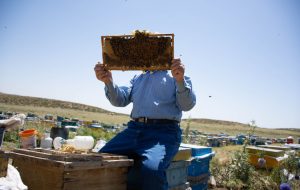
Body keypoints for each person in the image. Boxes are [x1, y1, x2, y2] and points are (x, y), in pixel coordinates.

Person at [94, 58, 196, 190]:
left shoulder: (176, 75)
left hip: (163, 134)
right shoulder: (138, 77)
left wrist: (180, 80)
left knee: (151, 172)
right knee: (100, 159)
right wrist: (108, 81)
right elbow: (119, 100)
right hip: (133, 131)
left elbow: (187, 105)